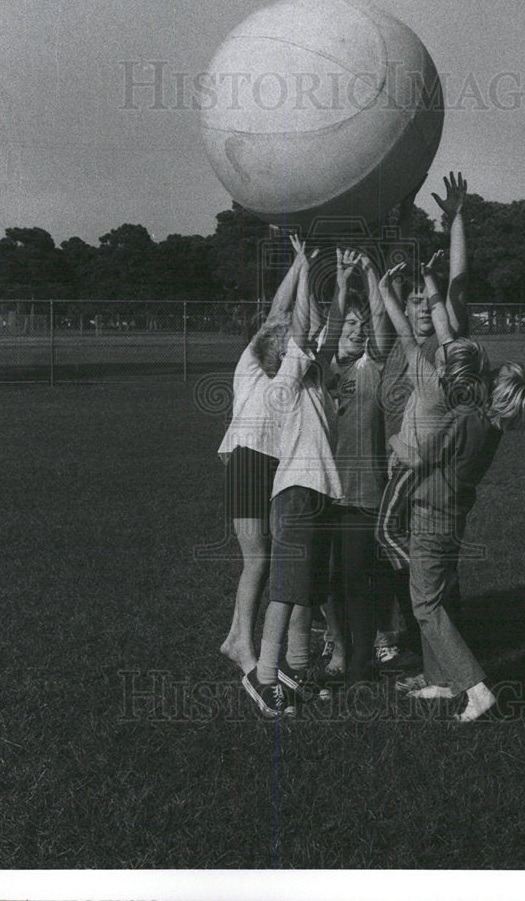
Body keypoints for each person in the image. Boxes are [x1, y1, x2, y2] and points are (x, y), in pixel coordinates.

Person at [378, 252, 525, 722]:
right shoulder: (488, 423)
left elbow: (417, 456)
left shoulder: (466, 419)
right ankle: (442, 680)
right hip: (452, 515)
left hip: (431, 515)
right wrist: (432, 280)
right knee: (441, 596)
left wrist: (392, 438)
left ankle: (474, 687)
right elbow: (449, 335)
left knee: (425, 604)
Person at [242, 246, 345, 718]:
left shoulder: (316, 382)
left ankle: (300, 670)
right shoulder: (282, 386)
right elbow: (303, 328)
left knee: (308, 590)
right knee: (286, 592)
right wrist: (307, 270)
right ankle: (264, 679)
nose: (302, 343)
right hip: (298, 493)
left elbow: (328, 331)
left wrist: (341, 284)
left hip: (319, 491)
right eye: (291, 344)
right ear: (282, 355)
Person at [375, 173, 471, 666]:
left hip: (429, 470)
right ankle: (420, 646)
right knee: (399, 555)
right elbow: (386, 288)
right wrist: (401, 216)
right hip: (395, 460)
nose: (418, 306)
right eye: (411, 301)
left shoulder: (443, 346)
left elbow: (456, 280)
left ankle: (445, 649)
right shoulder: (401, 349)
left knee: (420, 560)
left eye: (421, 301)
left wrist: (455, 220)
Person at [218, 233, 315, 675]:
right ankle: (240, 639)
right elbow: (279, 311)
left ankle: (240, 637)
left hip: (276, 467)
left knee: (272, 558)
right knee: (257, 558)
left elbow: (299, 321)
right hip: (247, 460)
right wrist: (299, 264)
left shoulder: (290, 374)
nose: (282, 339)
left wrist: (307, 273)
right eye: (274, 336)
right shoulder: (252, 366)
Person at [318, 248, 390, 687]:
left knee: (355, 580)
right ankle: (340, 650)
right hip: (319, 490)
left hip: (361, 493)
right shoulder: (322, 372)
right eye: (350, 324)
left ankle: (362, 669)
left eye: (361, 326)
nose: (358, 331)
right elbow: (326, 338)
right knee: (327, 581)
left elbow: (381, 328)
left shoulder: (371, 369)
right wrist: (341, 288)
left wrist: (369, 272)